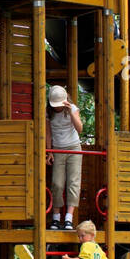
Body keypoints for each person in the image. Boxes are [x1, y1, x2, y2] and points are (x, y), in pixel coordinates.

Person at [46, 85, 83, 230]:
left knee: (73, 182)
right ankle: (56, 217)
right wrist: (49, 151)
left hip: (74, 148)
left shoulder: (72, 109)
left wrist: (71, 112)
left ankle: (69, 218)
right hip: (58, 148)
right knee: (57, 183)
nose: (57, 108)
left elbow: (80, 128)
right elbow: (48, 133)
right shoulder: (48, 112)